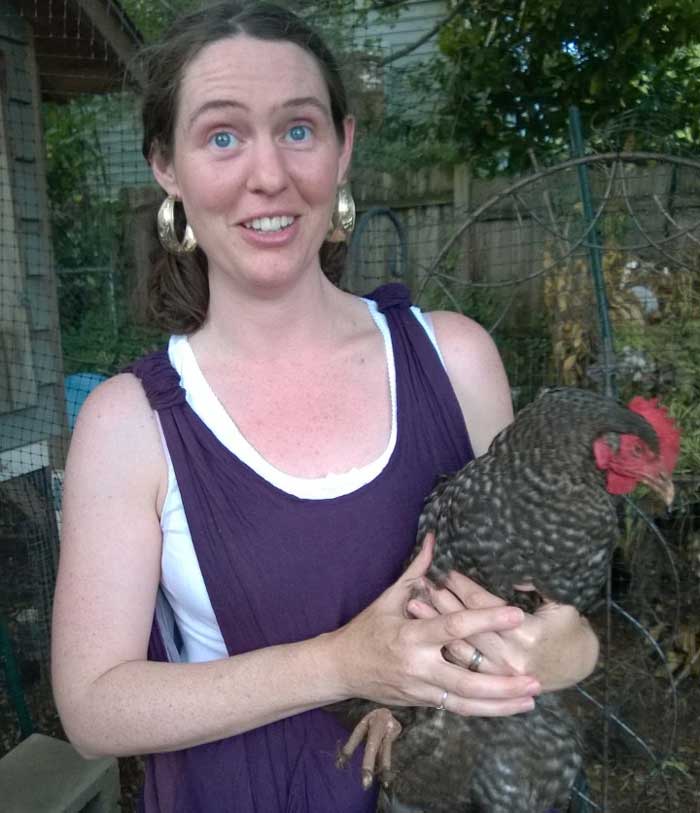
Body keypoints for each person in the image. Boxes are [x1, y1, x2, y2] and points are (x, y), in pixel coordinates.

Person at [51, 3, 599, 811]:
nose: (269, 174)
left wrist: (566, 649)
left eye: (298, 129)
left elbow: (546, 612)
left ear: (343, 147)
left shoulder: (454, 362)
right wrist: (342, 663)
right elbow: (93, 708)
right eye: (222, 136)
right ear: (167, 166)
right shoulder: (130, 422)